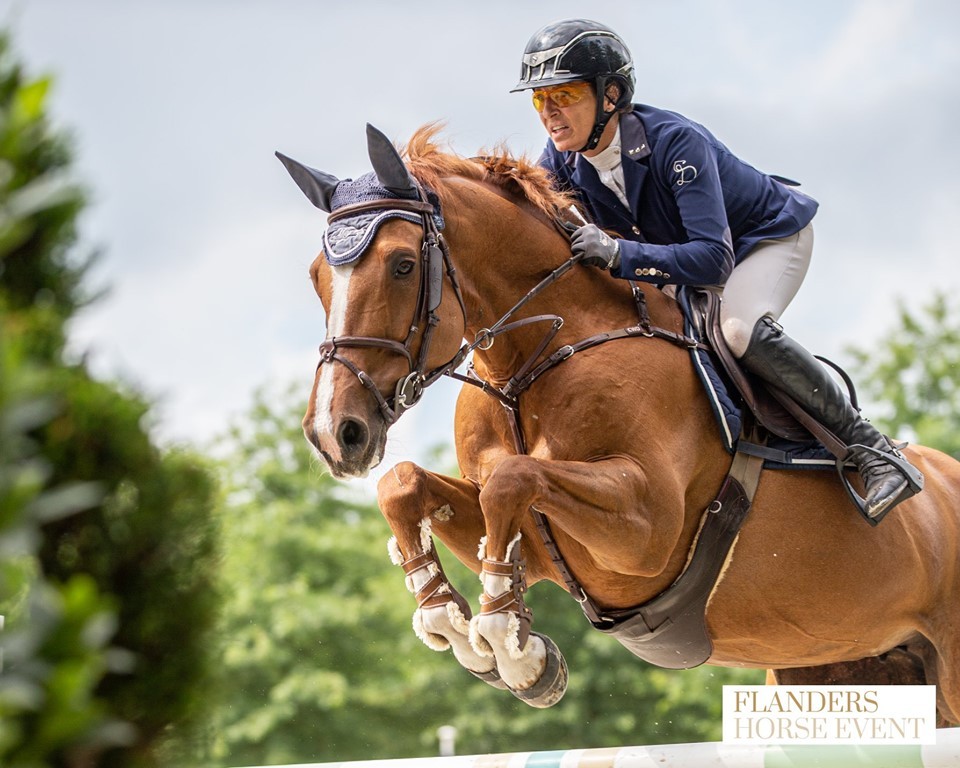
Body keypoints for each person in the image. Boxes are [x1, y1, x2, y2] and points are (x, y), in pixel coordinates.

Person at [511, 18, 921, 521]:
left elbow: (711, 260)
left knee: (739, 328)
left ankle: (874, 452)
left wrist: (619, 256)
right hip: (686, 258)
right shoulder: (561, 161)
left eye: (565, 94)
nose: (549, 112)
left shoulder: (675, 142)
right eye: (539, 100)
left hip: (766, 238)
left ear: (611, 94)